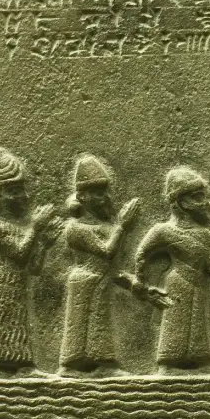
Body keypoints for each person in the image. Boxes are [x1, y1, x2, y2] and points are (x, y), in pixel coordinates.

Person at [132, 167, 210, 375]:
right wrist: (140, 281)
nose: (205, 203)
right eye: (198, 197)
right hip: (177, 283)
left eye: (204, 197)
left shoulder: (205, 236)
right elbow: (141, 254)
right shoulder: (163, 231)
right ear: (181, 201)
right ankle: (167, 365)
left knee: (196, 325)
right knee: (176, 322)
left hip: (197, 285)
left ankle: (202, 363)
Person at [0, 147, 63, 377]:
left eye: (22, 189)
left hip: (16, 281)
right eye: (15, 190)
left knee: (17, 325)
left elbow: (33, 268)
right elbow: (20, 254)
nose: (24, 196)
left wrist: (45, 245)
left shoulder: (14, 227)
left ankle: (23, 365)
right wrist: (35, 227)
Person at [58, 154, 140, 378]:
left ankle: (103, 364)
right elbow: (106, 251)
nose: (104, 198)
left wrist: (133, 283)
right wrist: (122, 226)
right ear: (82, 196)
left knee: (99, 324)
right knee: (82, 327)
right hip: (85, 281)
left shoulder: (105, 226)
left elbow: (111, 266)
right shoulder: (75, 228)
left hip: (101, 280)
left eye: (104, 192)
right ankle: (71, 367)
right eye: (98, 193)